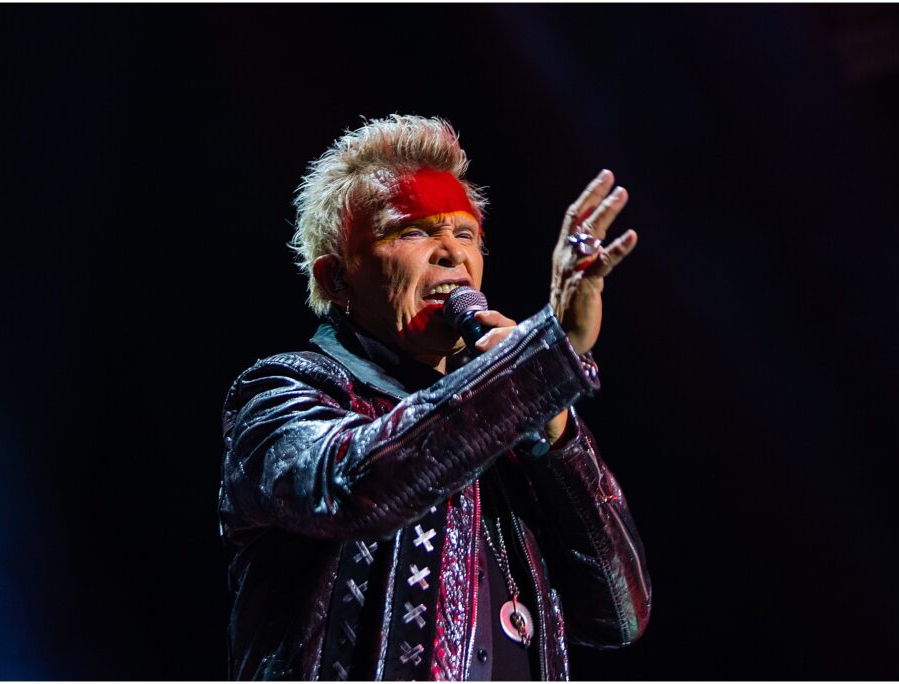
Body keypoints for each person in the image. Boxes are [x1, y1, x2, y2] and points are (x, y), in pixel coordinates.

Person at [218, 114, 651, 681]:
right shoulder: (282, 392)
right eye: (412, 231)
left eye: (466, 234)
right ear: (337, 280)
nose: (451, 253)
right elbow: (356, 486)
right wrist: (535, 368)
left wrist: (553, 426)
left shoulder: (515, 418)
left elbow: (617, 616)